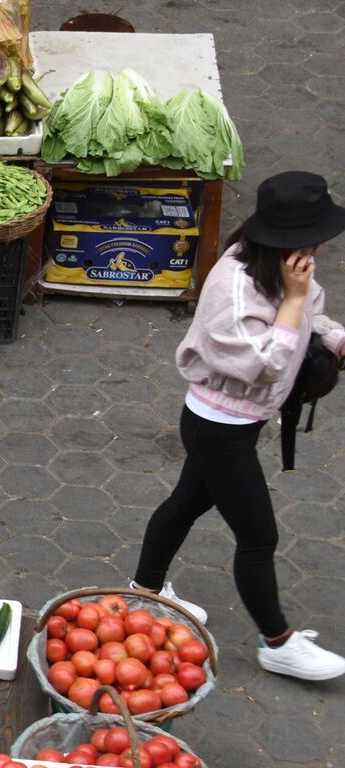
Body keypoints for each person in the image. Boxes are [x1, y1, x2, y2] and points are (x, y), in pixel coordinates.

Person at [131, 171, 345, 681]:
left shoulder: (283, 266)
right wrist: (292, 301)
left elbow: (311, 317)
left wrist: (335, 338)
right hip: (219, 429)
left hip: (236, 424)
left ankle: (145, 590)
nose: (318, 248)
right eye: (313, 238)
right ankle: (278, 643)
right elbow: (265, 363)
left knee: (186, 503)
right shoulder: (234, 286)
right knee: (258, 537)